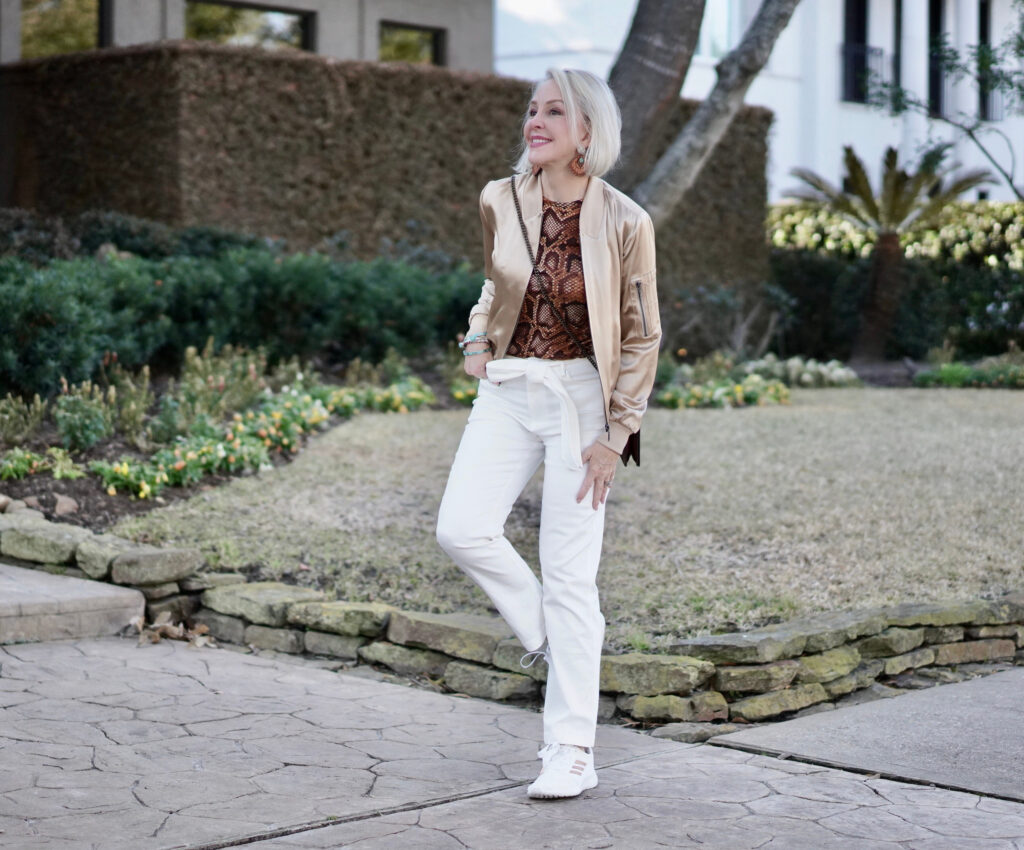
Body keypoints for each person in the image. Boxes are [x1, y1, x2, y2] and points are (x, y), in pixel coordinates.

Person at [436, 68, 661, 799]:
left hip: (582, 403)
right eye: (533, 110)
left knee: (571, 576)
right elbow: (493, 288)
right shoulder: (500, 198)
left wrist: (615, 436)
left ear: (587, 132)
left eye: (554, 112)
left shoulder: (626, 220)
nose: (535, 121)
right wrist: (475, 338)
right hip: (507, 390)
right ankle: (548, 640)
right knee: (461, 529)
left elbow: (642, 337)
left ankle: (571, 750)